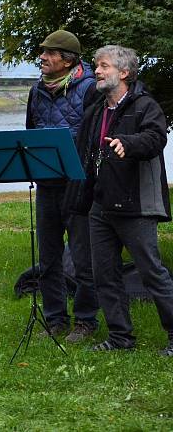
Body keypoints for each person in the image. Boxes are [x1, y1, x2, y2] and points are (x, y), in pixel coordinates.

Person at [66, 45, 173, 356]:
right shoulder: (97, 108)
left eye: (103, 66)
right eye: (96, 66)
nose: (96, 71)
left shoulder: (145, 105)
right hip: (101, 204)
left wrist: (128, 143)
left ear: (124, 73)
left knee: (152, 271)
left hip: (134, 204)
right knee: (105, 274)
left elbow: (156, 138)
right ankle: (120, 338)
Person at [25, 30, 100, 343]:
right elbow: (31, 131)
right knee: (49, 257)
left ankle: (85, 322)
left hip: (79, 186)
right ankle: (55, 320)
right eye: (42, 52)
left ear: (68, 60)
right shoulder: (36, 90)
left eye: (50, 53)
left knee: (83, 258)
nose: (42, 57)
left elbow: (95, 139)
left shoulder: (92, 88)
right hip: (47, 184)